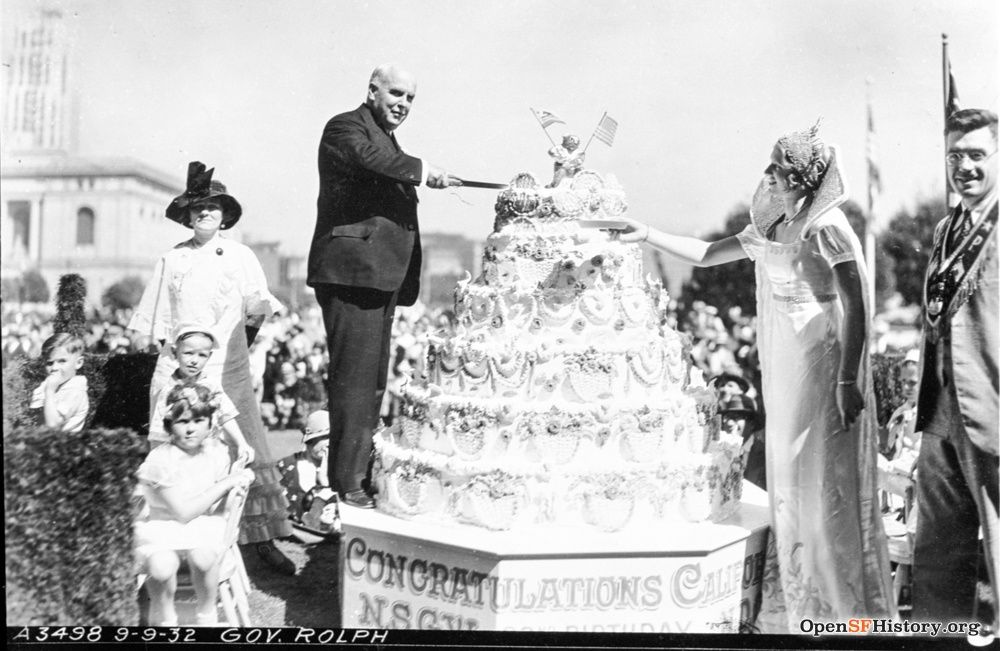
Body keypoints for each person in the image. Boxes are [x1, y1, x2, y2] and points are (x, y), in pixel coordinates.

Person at [617, 123, 895, 630]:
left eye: (777, 168)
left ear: (802, 178)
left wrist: (850, 380)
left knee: (823, 489)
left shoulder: (828, 226)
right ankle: (799, 604)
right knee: (790, 484)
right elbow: (706, 253)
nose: (768, 174)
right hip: (785, 370)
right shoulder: (771, 227)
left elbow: (858, 303)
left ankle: (845, 615)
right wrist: (647, 233)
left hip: (824, 371)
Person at [129, 162, 294, 575]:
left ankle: (261, 542)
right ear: (187, 215)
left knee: (245, 446)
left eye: (213, 207)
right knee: (178, 448)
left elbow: (257, 310)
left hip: (226, 364)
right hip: (178, 366)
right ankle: (177, 542)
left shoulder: (241, 255)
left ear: (225, 214)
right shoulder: (171, 259)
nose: (205, 214)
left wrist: (234, 354)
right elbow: (153, 319)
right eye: (197, 208)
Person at [307, 63, 460, 509]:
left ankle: (356, 475)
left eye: (411, 99)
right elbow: (369, 160)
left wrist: (421, 170)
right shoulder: (345, 128)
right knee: (355, 383)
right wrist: (424, 169)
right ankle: (346, 484)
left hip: (378, 278)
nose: (403, 104)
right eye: (396, 93)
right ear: (372, 90)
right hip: (352, 276)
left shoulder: (386, 139)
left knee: (373, 382)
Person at [912, 108, 998, 631]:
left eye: (976, 154)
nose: (963, 166)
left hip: (991, 410)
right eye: (954, 156)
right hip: (941, 409)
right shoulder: (947, 228)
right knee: (938, 556)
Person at [134, 383, 255, 626]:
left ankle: (206, 613)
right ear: (169, 425)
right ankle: (166, 617)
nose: (191, 429)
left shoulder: (215, 452)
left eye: (199, 420)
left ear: (210, 423)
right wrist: (226, 483)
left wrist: (232, 480)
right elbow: (183, 513)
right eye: (182, 421)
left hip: (200, 525)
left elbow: (213, 509)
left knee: (203, 555)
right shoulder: (160, 460)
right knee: (161, 566)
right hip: (162, 526)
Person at [147, 325, 254, 464]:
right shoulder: (169, 390)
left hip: (211, 451)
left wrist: (241, 443)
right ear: (175, 353)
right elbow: (158, 432)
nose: (194, 360)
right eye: (188, 353)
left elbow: (226, 415)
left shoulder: (211, 384)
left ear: (209, 356)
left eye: (202, 355)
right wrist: (157, 460)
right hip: (180, 456)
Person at [30, 333, 89, 433]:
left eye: (62, 361)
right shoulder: (56, 385)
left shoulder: (75, 390)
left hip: (62, 444)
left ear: (78, 363)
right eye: (49, 363)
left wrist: (49, 391)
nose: (54, 368)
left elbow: (53, 426)